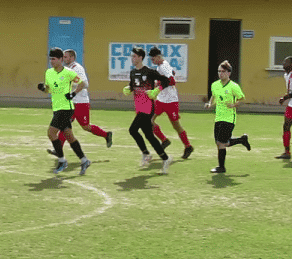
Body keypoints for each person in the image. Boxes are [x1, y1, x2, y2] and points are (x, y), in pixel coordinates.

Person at [38, 47, 91, 175]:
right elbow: (49, 90)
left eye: (54, 59)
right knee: (69, 135)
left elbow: (83, 83)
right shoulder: (49, 73)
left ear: (61, 59)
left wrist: (73, 94)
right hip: (56, 108)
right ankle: (84, 160)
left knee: (51, 133)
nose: (52, 61)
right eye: (50, 59)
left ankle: (62, 161)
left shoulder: (68, 72)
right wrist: (43, 88)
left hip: (66, 108)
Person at [48, 49, 112, 155]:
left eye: (66, 57)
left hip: (80, 102)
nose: (63, 58)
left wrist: (73, 92)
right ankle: (58, 149)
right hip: (71, 103)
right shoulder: (66, 69)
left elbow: (85, 83)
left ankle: (106, 135)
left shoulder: (77, 68)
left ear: (72, 58)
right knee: (65, 125)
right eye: (63, 57)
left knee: (85, 126)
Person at [122, 46, 174, 175]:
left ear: (140, 57)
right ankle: (165, 158)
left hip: (148, 108)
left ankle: (146, 154)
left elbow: (167, 81)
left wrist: (156, 90)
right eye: (131, 56)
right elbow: (133, 85)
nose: (132, 59)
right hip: (139, 108)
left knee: (132, 130)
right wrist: (128, 89)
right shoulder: (133, 72)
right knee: (149, 135)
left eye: (134, 56)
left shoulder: (149, 72)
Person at [205, 60, 251, 174]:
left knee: (221, 143)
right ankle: (241, 140)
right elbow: (214, 96)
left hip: (229, 118)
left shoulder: (233, 86)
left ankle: (221, 167)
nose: (221, 73)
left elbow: (242, 99)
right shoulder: (215, 84)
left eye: (223, 71)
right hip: (218, 117)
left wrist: (234, 104)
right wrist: (210, 104)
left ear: (229, 73)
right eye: (219, 71)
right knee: (220, 142)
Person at [149, 47, 194, 159]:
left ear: (159, 56)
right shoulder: (160, 66)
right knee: (148, 121)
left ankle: (188, 146)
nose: (152, 60)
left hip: (170, 101)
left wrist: (158, 87)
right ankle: (164, 140)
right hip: (161, 100)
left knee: (176, 125)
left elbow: (172, 81)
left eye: (153, 58)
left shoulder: (164, 66)